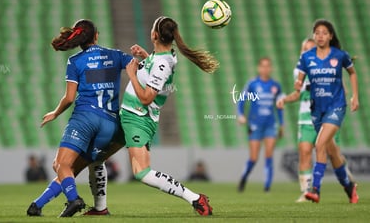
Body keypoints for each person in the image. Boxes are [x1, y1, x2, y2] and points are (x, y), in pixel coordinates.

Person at [27, 19, 133, 217]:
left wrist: (55, 113)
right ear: (96, 36)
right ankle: (37, 205)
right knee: (70, 169)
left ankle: (74, 199)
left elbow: (69, 98)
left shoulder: (75, 61)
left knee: (60, 165)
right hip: (110, 124)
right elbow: (142, 68)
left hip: (85, 118)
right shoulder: (116, 55)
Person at [121, 16, 218, 216]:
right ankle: (99, 206)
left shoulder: (161, 64)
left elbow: (147, 97)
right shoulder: (162, 57)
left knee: (142, 173)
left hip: (138, 116)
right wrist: (145, 56)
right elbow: (156, 71)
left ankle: (194, 198)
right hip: (133, 115)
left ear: (155, 35)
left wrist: (131, 74)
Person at [277, 38, 353, 202]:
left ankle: (348, 180)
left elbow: (343, 91)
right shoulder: (298, 71)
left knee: (334, 155)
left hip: (325, 117)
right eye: (304, 49)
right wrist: (285, 99)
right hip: (305, 118)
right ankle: (306, 192)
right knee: (304, 152)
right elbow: (298, 94)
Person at [295, 19, 359, 203]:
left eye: (324, 32)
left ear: (330, 36)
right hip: (317, 109)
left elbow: (352, 73)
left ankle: (315, 190)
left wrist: (355, 96)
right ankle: (348, 186)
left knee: (319, 145)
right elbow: (299, 78)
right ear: (314, 36)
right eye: (317, 32)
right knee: (333, 153)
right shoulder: (307, 58)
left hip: (336, 106)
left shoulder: (340, 55)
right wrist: (298, 83)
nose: (320, 36)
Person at [237, 57, 284, 192]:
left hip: (270, 124)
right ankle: (244, 178)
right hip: (255, 124)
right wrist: (241, 115)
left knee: (269, 155)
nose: (265, 69)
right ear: (259, 68)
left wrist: (282, 124)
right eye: (263, 66)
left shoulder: (276, 86)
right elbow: (241, 100)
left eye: (268, 66)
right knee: (254, 157)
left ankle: (267, 187)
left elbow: (280, 107)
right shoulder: (252, 84)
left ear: (271, 68)